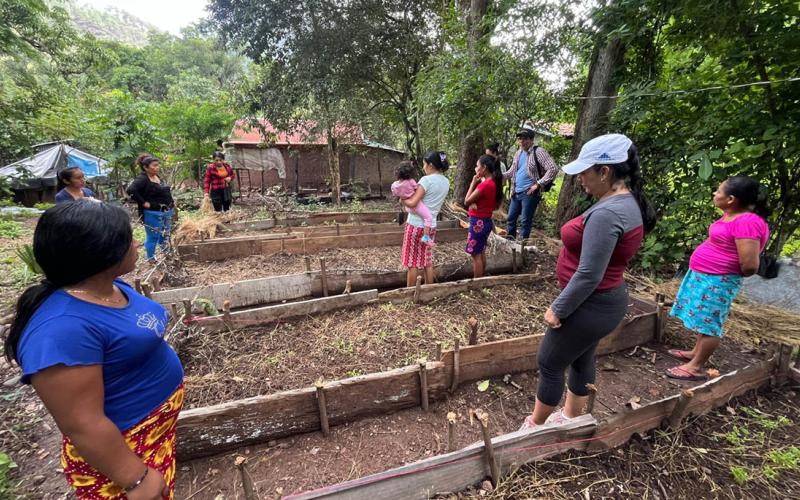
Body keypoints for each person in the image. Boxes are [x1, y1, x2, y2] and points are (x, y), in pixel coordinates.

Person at [4, 202, 184, 499]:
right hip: (123, 454)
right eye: (128, 239)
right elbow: (82, 424)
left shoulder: (109, 287)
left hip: (153, 437)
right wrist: (135, 479)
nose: (136, 243)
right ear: (102, 254)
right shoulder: (60, 330)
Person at [521, 134, 657, 429]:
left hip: (589, 304)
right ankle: (572, 416)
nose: (580, 178)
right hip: (604, 302)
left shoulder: (608, 214)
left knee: (549, 361)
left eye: (585, 171)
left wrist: (558, 309)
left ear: (605, 172)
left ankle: (534, 428)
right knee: (581, 358)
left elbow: (589, 274)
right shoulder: (625, 203)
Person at [666, 176, 769, 380]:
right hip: (705, 275)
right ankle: (696, 352)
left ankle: (695, 367)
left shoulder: (747, 222)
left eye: (718, 191)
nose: (715, 194)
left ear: (731, 198)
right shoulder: (731, 215)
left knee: (709, 323)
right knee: (701, 317)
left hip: (718, 280)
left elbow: (749, 265)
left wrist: (723, 272)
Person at [401, 151, 451, 287]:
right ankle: (431, 290)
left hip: (415, 225)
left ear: (430, 165)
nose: (423, 167)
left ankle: (410, 293)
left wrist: (402, 199)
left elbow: (413, 202)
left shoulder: (426, 180)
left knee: (412, 263)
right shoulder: (446, 182)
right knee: (427, 261)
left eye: (424, 164)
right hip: (431, 226)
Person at [502, 126, 558, 240]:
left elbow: (553, 168)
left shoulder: (539, 152)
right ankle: (509, 243)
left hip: (529, 192)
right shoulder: (518, 153)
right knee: (511, 218)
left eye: (525, 139)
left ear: (531, 140)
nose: (522, 141)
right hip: (516, 191)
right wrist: (497, 176)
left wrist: (538, 184)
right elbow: (512, 171)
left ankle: (522, 246)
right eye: (520, 139)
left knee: (525, 220)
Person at [127, 155, 175, 262]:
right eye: (154, 165)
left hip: (165, 211)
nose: (157, 167)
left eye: (158, 165)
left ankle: (166, 253)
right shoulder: (143, 178)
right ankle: (151, 258)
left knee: (165, 233)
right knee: (153, 236)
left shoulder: (156, 176)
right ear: (145, 167)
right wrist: (144, 203)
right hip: (153, 213)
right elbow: (131, 190)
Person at [464, 155, 503, 278]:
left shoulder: (484, 185)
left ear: (484, 168)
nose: (476, 168)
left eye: (477, 166)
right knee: (480, 251)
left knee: (475, 255)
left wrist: (473, 183)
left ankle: (477, 282)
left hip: (478, 223)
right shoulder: (493, 183)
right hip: (485, 221)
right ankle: (482, 277)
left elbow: (466, 201)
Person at [392, 162, 434, 246]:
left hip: (407, 207)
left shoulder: (394, 185)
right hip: (416, 205)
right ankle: (426, 237)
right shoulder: (411, 181)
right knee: (428, 217)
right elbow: (417, 189)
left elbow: (396, 195)